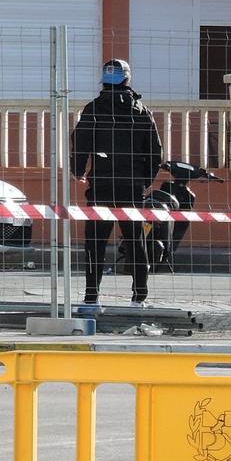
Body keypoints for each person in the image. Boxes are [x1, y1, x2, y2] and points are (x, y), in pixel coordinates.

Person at [70, 58, 163, 307]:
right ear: (127, 79)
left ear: (104, 81)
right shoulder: (141, 111)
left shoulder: (93, 109)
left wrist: (77, 170)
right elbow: (156, 152)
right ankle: (139, 297)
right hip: (132, 187)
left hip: (101, 185)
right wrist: (144, 181)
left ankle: (91, 297)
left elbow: (80, 143)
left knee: (95, 243)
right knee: (135, 242)